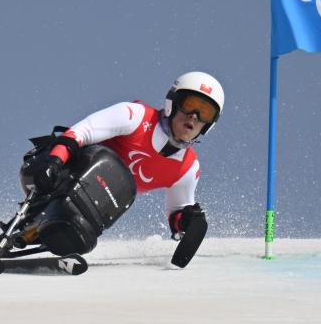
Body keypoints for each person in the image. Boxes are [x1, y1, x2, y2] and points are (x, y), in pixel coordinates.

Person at [33, 70, 224, 244]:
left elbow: (177, 214)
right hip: (53, 170)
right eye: (189, 105)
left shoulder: (188, 168)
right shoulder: (135, 116)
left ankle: (47, 236)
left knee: (87, 234)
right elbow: (80, 133)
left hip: (91, 204)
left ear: (208, 125)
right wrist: (55, 160)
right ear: (172, 104)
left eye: (204, 113)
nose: (194, 117)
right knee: (106, 162)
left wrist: (187, 222)